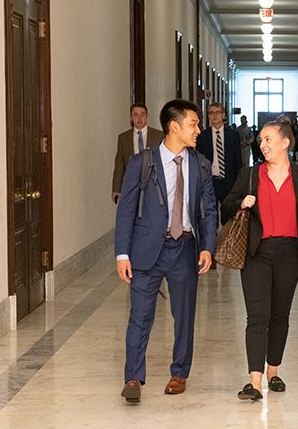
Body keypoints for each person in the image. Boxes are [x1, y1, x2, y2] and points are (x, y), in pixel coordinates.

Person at [115, 99, 218, 403]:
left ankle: (179, 373)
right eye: (193, 124)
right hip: (146, 250)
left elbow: (208, 209)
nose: (198, 130)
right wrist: (122, 253)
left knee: (184, 315)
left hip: (185, 248)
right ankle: (133, 377)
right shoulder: (141, 163)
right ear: (175, 127)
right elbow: (125, 210)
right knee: (140, 316)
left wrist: (208, 247)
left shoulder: (199, 164)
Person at [222, 121, 298, 401]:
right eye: (260, 140)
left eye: (268, 139)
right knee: (257, 316)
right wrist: (242, 202)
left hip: (290, 254)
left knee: (280, 315)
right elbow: (226, 205)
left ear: (285, 142)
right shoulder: (250, 174)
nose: (263, 145)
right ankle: (254, 382)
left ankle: (273, 372)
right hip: (257, 253)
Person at [112, 103, 165, 203]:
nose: (139, 118)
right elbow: (120, 165)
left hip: (153, 182)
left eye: (142, 114)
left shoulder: (158, 135)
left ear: (147, 116)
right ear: (131, 117)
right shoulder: (123, 138)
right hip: (132, 183)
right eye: (135, 115)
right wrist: (116, 189)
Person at [196, 102, 243, 206]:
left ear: (223, 115)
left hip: (229, 180)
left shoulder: (233, 135)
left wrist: (239, 183)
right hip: (210, 181)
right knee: (211, 213)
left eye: (218, 112)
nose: (214, 115)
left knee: (228, 212)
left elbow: (238, 160)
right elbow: (199, 161)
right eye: (211, 112)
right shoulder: (202, 136)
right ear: (208, 116)